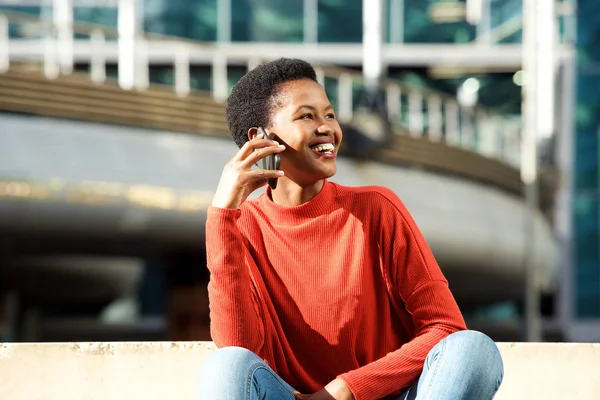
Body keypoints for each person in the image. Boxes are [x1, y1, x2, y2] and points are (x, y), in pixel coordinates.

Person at [198, 58, 503, 400]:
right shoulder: (243, 226)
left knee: (473, 349)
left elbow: (445, 327)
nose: (327, 127)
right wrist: (222, 214)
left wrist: (346, 389)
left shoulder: (376, 208)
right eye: (306, 116)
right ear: (261, 138)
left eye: (329, 114)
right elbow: (240, 353)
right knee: (224, 365)